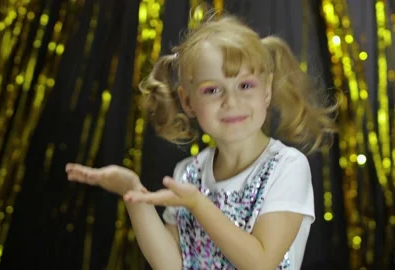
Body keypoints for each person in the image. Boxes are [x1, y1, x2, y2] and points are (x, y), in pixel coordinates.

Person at [66, 13, 338, 270]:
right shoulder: (188, 174)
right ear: (188, 101)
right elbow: (171, 265)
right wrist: (134, 193)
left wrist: (199, 204)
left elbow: (261, 263)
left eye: (245, 85)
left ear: (267, 90)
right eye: (212, 90)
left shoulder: (287, 167)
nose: (231, 102)